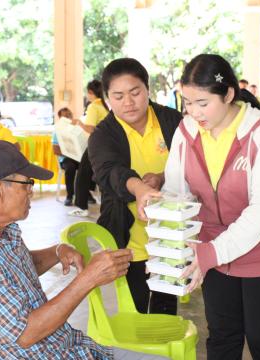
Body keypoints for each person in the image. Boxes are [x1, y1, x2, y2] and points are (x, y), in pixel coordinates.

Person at [0, 140, 166, 359]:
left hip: (71, 349)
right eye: (27, 184)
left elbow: (18, 269)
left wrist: (57, 252)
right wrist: (88, 279)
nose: (31, 192)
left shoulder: (2, 233)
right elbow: (26, 333)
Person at [136, 54, 260, 360]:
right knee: (222, 336)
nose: (193, 112)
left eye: (203, 103)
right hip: (213, 252)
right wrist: (166, 242)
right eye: (187, 102)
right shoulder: (186, 132)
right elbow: (176, 191)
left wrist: (209, 252)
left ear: (229, 95)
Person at [88, 58, 183, 315]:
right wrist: (139, 188)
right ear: (107, 99)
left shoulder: (172, 121)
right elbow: (109, 171)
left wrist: (163, 177)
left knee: (166, 309)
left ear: (147, 89)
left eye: (135, 92)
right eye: (118, 96)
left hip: (170, 234)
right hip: (128, 235)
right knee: (136, 309)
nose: (128, 102)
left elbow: (194, 163)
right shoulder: (103, 135)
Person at [68, 80, 109, 217]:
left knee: (82, 174)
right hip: (108, 144)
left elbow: (91, 128)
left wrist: (79, 123)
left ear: (91, 92)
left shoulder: (94, 106)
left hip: (96, 143)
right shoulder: (106, 105)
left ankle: (81, 206)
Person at [52, 107, 81, 206]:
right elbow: (55, 149)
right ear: (60, 119)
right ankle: (69, 196)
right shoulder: (57, 131)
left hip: (79, 158)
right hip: (66, 158)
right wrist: (69, 153)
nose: (68, 118)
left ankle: (85, 194)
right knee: (70, 167)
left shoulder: (78, 129)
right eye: (65, 116)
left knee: (88, 165)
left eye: (69, 115)